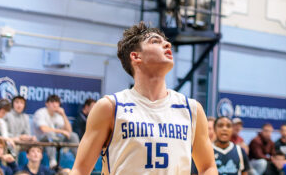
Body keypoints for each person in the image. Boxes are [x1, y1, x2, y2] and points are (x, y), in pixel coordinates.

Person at [70, 22, 218, 175]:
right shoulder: (111, 107)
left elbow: (208, 167)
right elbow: (80, 170)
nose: (167, 44)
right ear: (135, 56)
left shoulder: (191, 109)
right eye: (155, 41)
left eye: (166, 41)